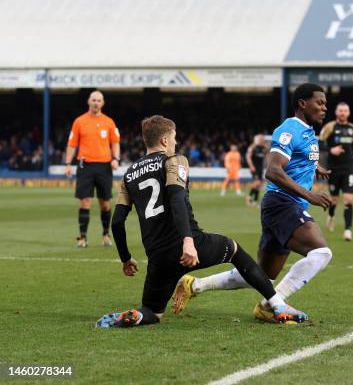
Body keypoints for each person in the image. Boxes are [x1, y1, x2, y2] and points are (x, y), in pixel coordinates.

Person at [102, 115, 308, 328]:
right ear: (164, 140)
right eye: (173, 137)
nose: (176, 142)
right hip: (188, 246)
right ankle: (278, 306)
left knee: (153, 313)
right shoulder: (174, 160)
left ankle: (137, 316)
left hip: (158, 256)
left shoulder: (129, 175)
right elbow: (176, 198)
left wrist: (126, 259)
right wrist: (188, 241)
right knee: (235, 251)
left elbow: (117, 222)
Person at [172, 83, 333, 323]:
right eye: (319, 103)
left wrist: (314, 167)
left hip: (282, 206)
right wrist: (310, 195)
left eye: (325, 104)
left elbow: (297, 158)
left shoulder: (309, 132)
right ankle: (272, 304)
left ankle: (195, 285)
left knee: (263, 275)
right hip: (283, 204)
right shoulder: (290, 128)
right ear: (302, 103)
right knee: (321, 253)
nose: (324, 108)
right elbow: (273, 170)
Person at [64, 90, 120, 248]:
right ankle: (82, 238)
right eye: (93, 100)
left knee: (105, 203)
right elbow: (72, 144)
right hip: (85, 165)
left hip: (104, 166)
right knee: (85, 201)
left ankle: (106, 235)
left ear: (103, 103)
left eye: (99, 100)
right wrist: (68, 163)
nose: (96, 103)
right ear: (88, 102)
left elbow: (115, 142)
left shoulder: (109, 122)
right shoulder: (79, 121)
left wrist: (116, 159)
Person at [319, 102, 353, 241]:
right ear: (336, 112)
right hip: (333, 169)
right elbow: (320, 143)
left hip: (348, 168)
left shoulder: (352, 128)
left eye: (345, 110)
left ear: (348, 113)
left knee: (349, 199)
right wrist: (331, 150)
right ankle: (331, 215)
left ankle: (348, 230)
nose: (343, 113)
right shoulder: (330, 127)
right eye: (340, 110)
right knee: (334, 200)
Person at [245, 134, 268, 207]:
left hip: (260, 168)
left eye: (262, 139)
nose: (262, 140)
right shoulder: (253, 147)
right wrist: (251, 166)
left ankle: (255, 200)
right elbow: (248, 157)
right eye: (261, 139)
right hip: (254, 168)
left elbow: (266, 157)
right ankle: (249, 197)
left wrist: (268, 165)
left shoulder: (264, 148)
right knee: (257, 183)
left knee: (259, 185)